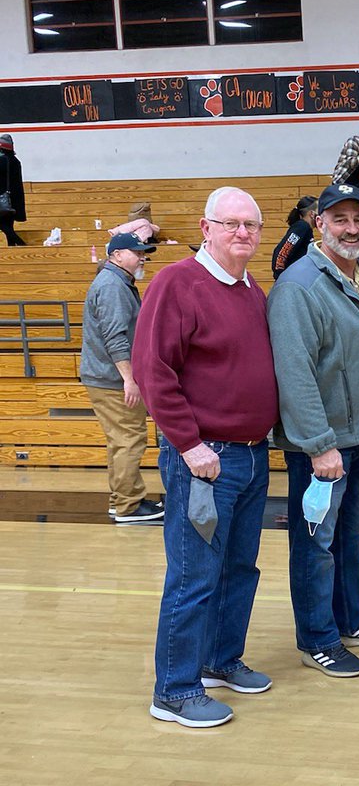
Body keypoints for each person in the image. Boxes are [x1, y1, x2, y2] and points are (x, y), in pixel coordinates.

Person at [132, 187, 278, 728]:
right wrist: (190, 445)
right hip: (205, 460)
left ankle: (220, 659)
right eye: (231, 223)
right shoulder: (177, 283)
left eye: (251, 225)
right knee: (194, 575)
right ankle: (174, 690)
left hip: (251, 456)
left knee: (239, 568)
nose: (242, 232)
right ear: (206, 228)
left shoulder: (251, 288)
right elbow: (154, 370)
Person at [268, 183, 359, 679]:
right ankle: (318, 639)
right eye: (340, 219)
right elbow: (295, 373)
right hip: (322, 448)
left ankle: (351, 620)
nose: (351, 229)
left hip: (357, 437)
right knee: (315, 545)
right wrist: (318, 445)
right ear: (319, 223)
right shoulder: (299, 287)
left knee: (349, 536)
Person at [81, 232, 162, 523]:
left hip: (105, 376)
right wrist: (129, 379)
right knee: (129, 439)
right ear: (116, 255)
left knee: (120, 441)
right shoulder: (112, 286)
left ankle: (122, 501)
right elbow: (114, 338)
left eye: (143, 253)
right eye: (136, 253)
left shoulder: (116, 282)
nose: (142, 258)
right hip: (113, 379)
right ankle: (128, 506)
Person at [271, 195, 317, 278]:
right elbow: (282, 251)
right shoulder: (302, 227)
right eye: (320, 211)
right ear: (312, 214)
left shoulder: (306, 229)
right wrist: (280, 276)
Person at [0, 134, 26, 246]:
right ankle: (13, 249)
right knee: (9, 226)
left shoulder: (2, 161)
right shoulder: (15, 161)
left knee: (4, 226)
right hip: (13, 201)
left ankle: (22, 244)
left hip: (2, 198)